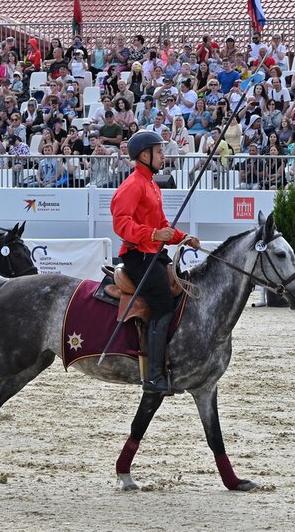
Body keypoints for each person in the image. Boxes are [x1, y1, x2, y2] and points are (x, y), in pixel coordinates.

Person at [110, 131, 199, 395]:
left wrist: (184, 237)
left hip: (154, 254)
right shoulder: (133, 185)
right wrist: (152, 235)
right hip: (138, 256)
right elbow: (121, 224)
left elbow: (162, 226)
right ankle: (153, 376)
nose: (163, 156)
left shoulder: (153, 185)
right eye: (159, 152)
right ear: (144, 154)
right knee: (163, 305)